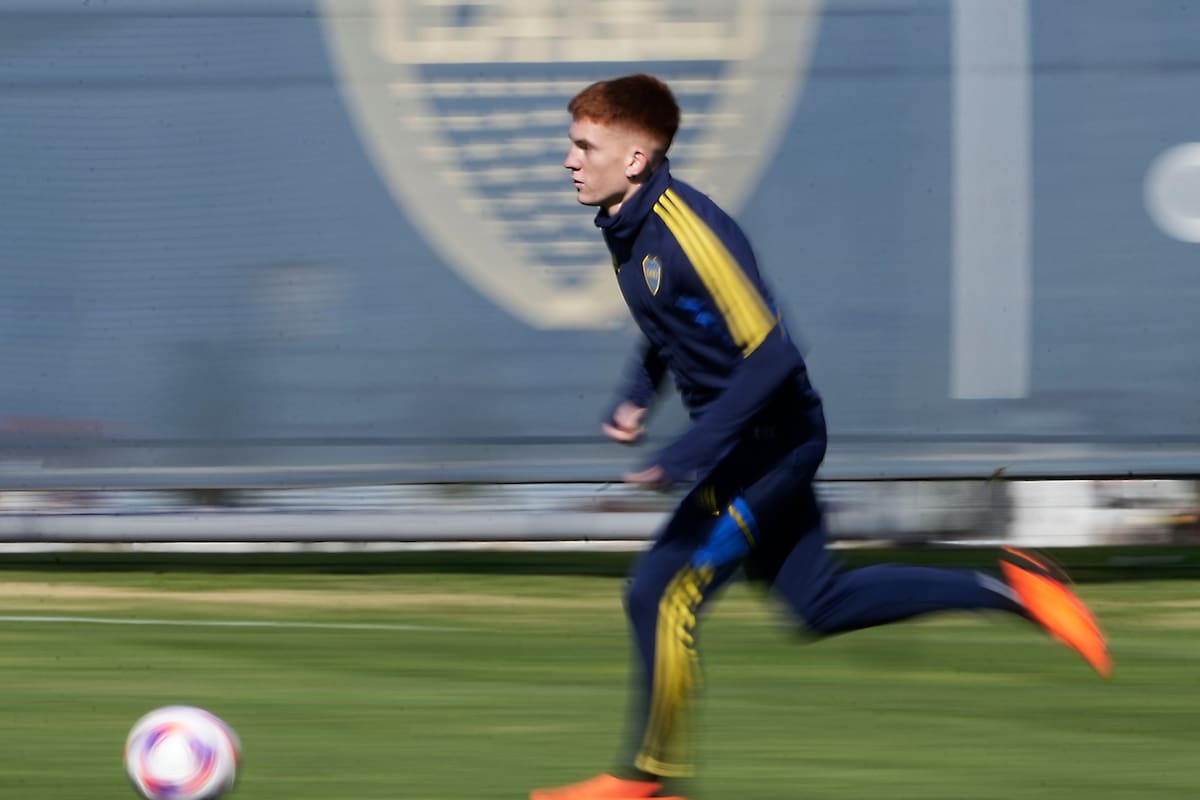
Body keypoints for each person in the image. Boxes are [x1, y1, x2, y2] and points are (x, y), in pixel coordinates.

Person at [531, 74, 1110, 800]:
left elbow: (774, 356)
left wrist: (682, 453)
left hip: (773, 442)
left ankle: (649, 783)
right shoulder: (629, 229)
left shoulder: (685, 232)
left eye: (585, 146)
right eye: (572, 144)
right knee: (818, 605)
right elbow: (668, 327)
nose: (569, 160)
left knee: (660, 592)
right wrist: (635, 395)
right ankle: (1020, 592)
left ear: (637, 158)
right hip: (751, 443)